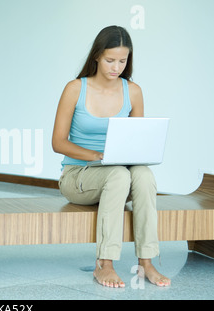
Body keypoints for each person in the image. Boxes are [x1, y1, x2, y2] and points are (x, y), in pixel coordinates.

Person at [52, 26, 171, 288]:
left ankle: (147, 262)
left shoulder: (134, 91)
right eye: (109, 60)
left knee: (143, 174)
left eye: (122, 60)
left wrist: (130, 156)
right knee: (118, 174)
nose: (115, 67)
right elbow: (58, 142)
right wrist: (98, 155)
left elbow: (136, 141)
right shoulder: (75, 89)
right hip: (77, 176)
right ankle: (104, 264)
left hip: (117, 174)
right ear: (96, 56)